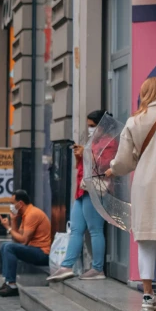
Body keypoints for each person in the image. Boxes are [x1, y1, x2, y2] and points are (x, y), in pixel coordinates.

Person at [106, 77, 156, 311]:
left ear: (144, 93)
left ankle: (146, 295)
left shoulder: (134, 120)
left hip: (143, 185)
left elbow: (123, 161)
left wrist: (112, 168)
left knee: (144, 240)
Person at [48, 110, 111, 282]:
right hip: (82, 190)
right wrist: (80, 155)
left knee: (95, 229)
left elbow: (105, 164)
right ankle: (66, 266)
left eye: (92, 125)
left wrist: (86, 153)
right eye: (89, 126)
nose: (90, 129)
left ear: (101, 125)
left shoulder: (108, 143)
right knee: (75, 229)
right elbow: (82, 167)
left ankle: (98, 269)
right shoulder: (93, 142)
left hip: (95, 191)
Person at [0, 190, 51, 297]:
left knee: (8, 247)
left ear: (20, 204)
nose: (11, 207)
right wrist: (13, 220)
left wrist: (8, 228)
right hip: (33, 249)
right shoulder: (26, 214)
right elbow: (17, 239)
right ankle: (8, 282)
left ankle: (11, 285)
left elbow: (24, 240)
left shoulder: (32, 214)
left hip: (42, 253)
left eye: (12, 203)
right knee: (4, 245)